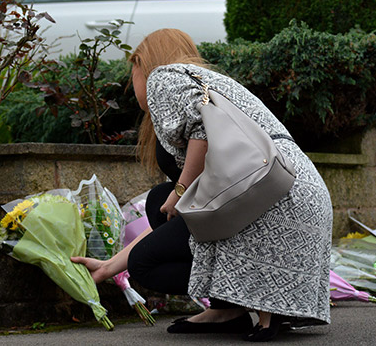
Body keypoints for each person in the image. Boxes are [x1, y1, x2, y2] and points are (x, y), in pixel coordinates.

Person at [72, 29, 333, 342]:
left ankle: (262, 310)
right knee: (159, 202)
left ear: (145, 64)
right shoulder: (199, 82)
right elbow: (180, 216)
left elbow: (201, 131)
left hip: (272, 198)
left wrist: (180, 190)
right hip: (295, 192)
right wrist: (109, 266)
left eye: (133, 71)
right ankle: (229, 309)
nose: (134, 83)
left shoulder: (164, 77)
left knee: (148, 259)